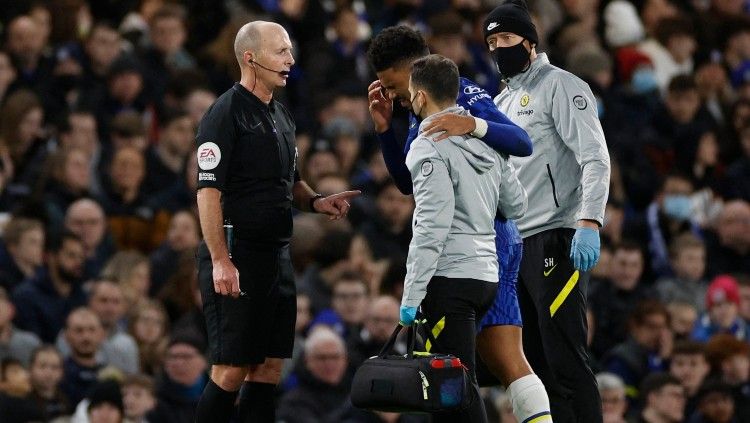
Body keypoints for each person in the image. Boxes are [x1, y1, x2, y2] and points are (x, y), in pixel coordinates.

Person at [366, 24, 550, 423]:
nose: (389, 94)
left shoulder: (461, 97)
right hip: (492, 243)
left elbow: (521, 142)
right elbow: (407, 183)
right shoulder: (422, 113)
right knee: (506, 360)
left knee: (452, 378)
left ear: (414, 73)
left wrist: (475, 126)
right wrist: (384, 130)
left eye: (391, 84)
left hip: (473, 247)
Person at [194, 20, 359, 423]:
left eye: (289, 51)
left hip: (276, 254)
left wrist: (317, 202)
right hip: (237, 253)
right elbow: (208, 193)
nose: (290, 59)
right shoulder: (223, 114)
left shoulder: (281, 114)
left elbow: (292, 183)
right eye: (280, 51)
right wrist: (220, 259)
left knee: (268, 367)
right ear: (250, 58)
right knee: (232, 368)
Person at [484, 1, 611, 421]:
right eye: (492, 41)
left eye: (505, 38)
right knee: (530, 362)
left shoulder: (562, 86)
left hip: (557, 234)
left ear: (530, 41)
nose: (499, 47)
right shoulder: (502, 100)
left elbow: (595, 157)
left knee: (564, 356)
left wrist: (589, 221)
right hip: (515, 244)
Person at [398, 54, 528, 423]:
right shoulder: (486, 139)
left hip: (450, 279)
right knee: (451, 386)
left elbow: (431, 226)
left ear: (420, 97)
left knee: (454, 389)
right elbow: (517, 204)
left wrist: (411, 296)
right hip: (487, 276)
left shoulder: (426, 147)